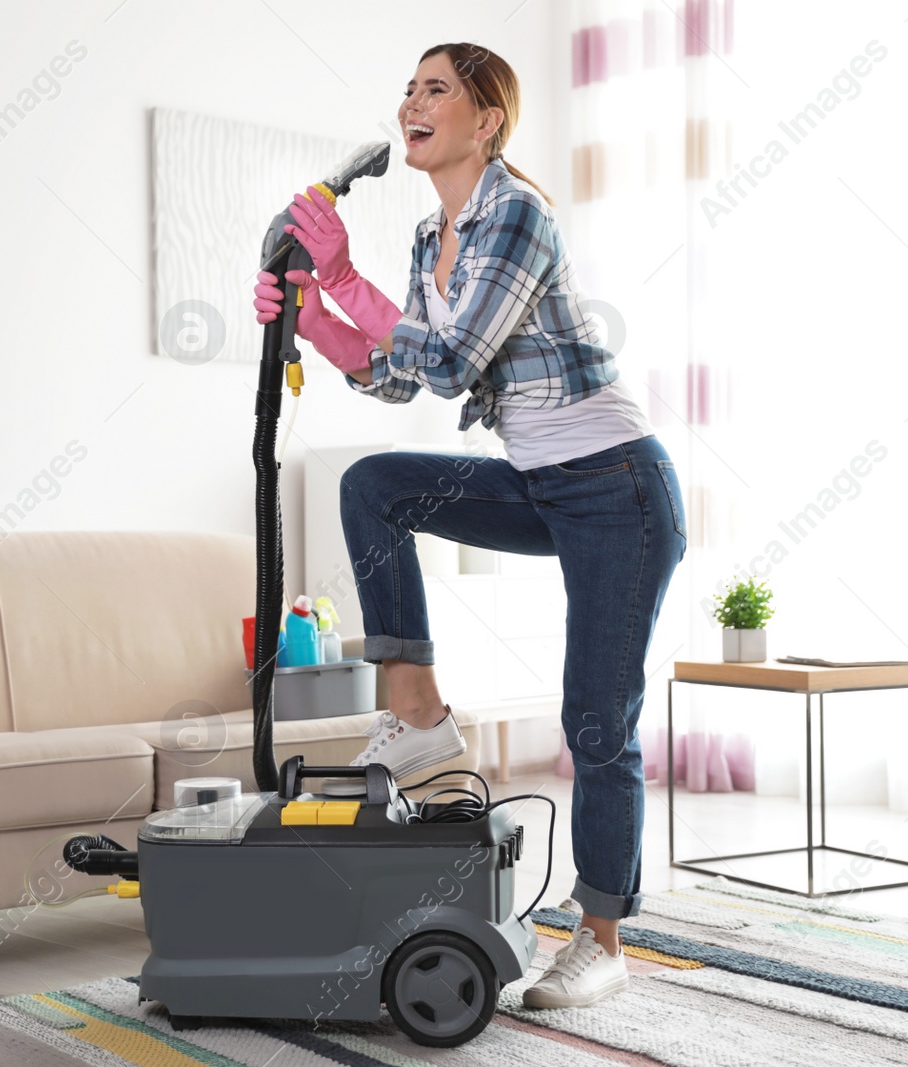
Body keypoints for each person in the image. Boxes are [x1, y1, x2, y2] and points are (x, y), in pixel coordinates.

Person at [252, 42, 687, 1011]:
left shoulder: (518, 216)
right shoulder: (425, 238)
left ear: (485, 119)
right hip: (539, 484)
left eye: (435, 88)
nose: (411, 100)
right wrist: (315, 319)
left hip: (618, 487)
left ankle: (603, 937)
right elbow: (398, 376)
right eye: (407, 86)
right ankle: (415, 717)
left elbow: (450, 360)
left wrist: (341, 278)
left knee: (594, 717)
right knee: (374, 485)